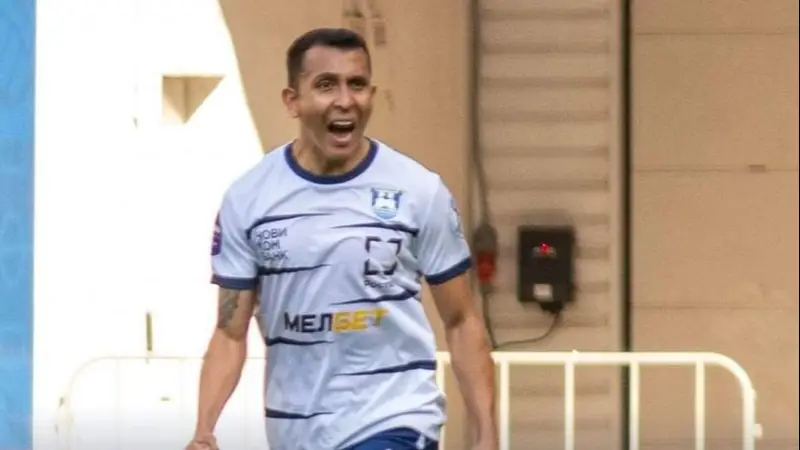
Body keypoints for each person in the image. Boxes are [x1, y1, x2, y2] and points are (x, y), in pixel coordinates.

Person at [185, 27, 498, 450]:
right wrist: (204, 430)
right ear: (292, 101)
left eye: (357, 84)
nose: (345, 100)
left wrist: (486, 433)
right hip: (294, 431)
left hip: (394, 419)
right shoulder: (249, 199)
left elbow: (461, 319)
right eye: (326, 85)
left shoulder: (417, 191)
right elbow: (229, 332)